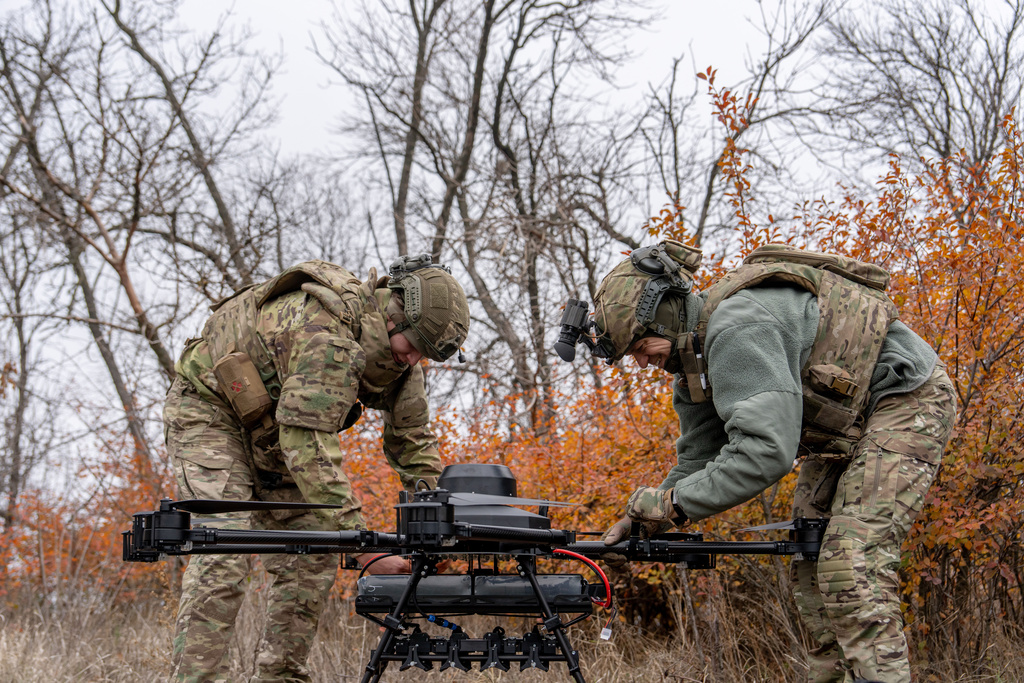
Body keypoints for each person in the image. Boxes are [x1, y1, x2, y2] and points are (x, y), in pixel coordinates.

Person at [569, 240, 956, 683]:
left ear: (666, 313)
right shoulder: (694, 367)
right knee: (811, 562)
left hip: (908, 399)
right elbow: (699, 458)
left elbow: (765, 454)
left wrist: (671, 504)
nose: (640, 362)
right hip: (845, 428)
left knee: (850, 561)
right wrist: (641, 522)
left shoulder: (736, 329)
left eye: (639, 345)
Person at [164, 254, 470, 683]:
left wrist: (442, 514)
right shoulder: (328, 334)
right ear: (394, 316)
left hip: (276, 435)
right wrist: (362, 546)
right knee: (224, 548)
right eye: (414, 345)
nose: (415, 360)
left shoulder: (401, 363)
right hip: (210, 413)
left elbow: (413, 442)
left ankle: (281, 677)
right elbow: (306, 442)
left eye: (427, 354)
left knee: (311, 557)